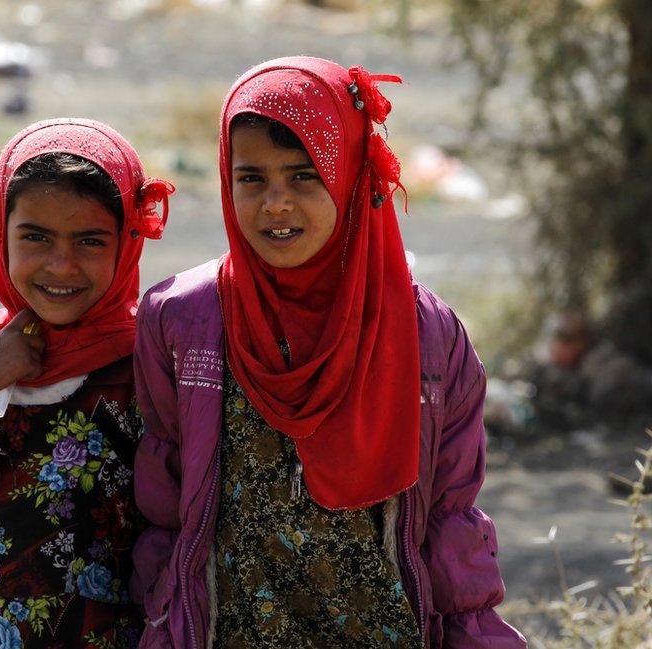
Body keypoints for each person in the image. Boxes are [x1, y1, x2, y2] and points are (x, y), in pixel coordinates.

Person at [129, 58, 526, 648]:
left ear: (350, 175)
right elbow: (164, 516)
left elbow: (450, 526)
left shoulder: (428, 338)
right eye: (251, 178)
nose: (276, 204)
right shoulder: (182, 321)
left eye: (305, 176)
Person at [0, 118, 174, 649]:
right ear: (3, 234)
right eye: (36, 238)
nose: (61, 265)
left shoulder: (148, 369)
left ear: (128, 242)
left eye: (90, 240)